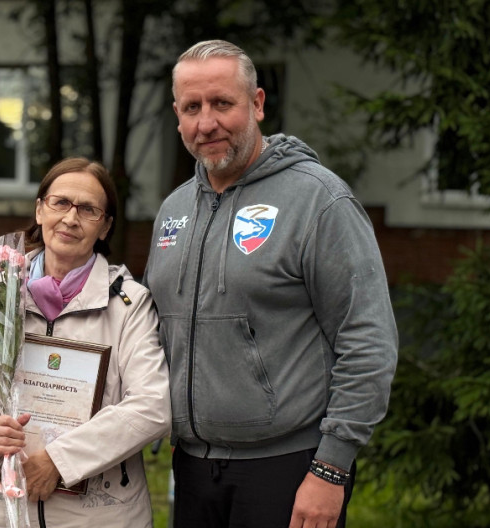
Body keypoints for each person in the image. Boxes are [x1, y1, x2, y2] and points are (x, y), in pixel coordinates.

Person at [144, 40, 398, 528]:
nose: (206, 123)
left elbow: (368, 341)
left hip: (289, 470)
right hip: (193, 469)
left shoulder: (319, 201)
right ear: (177, 116)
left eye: (222, 103)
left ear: (257, 103)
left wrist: (332, 468)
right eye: (192, 108)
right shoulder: (175, 209)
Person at [0, 157, 172, 527]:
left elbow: (152, 406)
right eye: (61, 203)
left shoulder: (129, 304)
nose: (71, 218)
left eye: (88, 210)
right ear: (40, 210)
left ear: (105, 227)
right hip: (0, 510)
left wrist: (60, 460)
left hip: (99, 516)